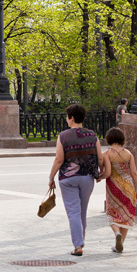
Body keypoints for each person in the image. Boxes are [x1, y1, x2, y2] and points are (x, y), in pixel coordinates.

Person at [47, 104, 102, 256]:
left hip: (68, 179)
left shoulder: (63, 136)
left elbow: (59, 159)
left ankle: (78, 244)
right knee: (82, 211)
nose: (66, 119)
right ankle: (80, 241)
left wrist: (51, 177)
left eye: (67, 117)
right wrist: (101, 172)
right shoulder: (92, 135)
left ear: (71, 118)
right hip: (87, 178)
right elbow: (100, 157)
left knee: (73, 211)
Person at [99, 127, 137, 253]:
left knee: (112, 214)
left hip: (114, 188)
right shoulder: (128, 154)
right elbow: (134, 173)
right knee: (126, 216)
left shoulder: (107, 154)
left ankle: (117, 233)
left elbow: (108, 173)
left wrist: (99, 177)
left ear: (109, 139)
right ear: (122, 139)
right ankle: (121, 243)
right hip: (129, 187)